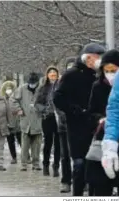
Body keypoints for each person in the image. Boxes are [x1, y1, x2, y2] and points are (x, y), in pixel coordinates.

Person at [53, 43, 105, 196]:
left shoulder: (99, 76)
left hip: (96, 126)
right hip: (77, 127)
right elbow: (58, 98)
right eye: (97, 57)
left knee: (95, 165)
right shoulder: (71, 75)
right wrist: (76, 110)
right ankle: (77, 194)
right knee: (79, 164)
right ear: (87, 58)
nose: (99, 60)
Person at [86, 49, 119, 196]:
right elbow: (91, 111)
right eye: (107, 70)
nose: (111, 74)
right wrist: (100, 119)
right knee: (100, 181)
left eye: (114, 70)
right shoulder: (98, 86)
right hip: (103, 136)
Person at [10, 72, 42, 171]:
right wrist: (18, 109)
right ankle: (23, 164)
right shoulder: (22, 89)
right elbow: (12, 99)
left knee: (36, 145)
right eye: (30, 82)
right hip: (25, 121)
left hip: (37, 121)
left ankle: (36, 164)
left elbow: (46, 102)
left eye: (34, 83)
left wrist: (38, 108)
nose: (32, 84)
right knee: (25, 145)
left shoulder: (41, 89)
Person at [54, 58, 75, 193]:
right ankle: (66, 181)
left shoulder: (81, 82)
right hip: (64, 125)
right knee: (65, 154)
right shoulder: (60, 83)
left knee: (80, 155)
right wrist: (65, 115)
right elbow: (56, 102)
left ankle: (81, 179)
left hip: (80, 125)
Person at [35, 66, 60, 177]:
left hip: (59, 117)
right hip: (48, 117)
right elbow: (37, 103)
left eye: (54, 72)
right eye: (50, 72)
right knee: (48, 142)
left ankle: (56, 166)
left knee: (58, 143)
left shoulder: (61, 85)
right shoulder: (43, 87)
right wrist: (44, 109)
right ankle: (46, 164)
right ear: (47, 75)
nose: (53, 74)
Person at [1, 80, 21, 164]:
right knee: (10, 142)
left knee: (21, 140)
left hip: (18, 122)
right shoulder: (2, 99)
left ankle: (27, 156)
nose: (8, 91)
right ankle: (14, 157)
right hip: (8, 123)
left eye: (10, 89)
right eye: (7, 89)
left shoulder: (17, 98)